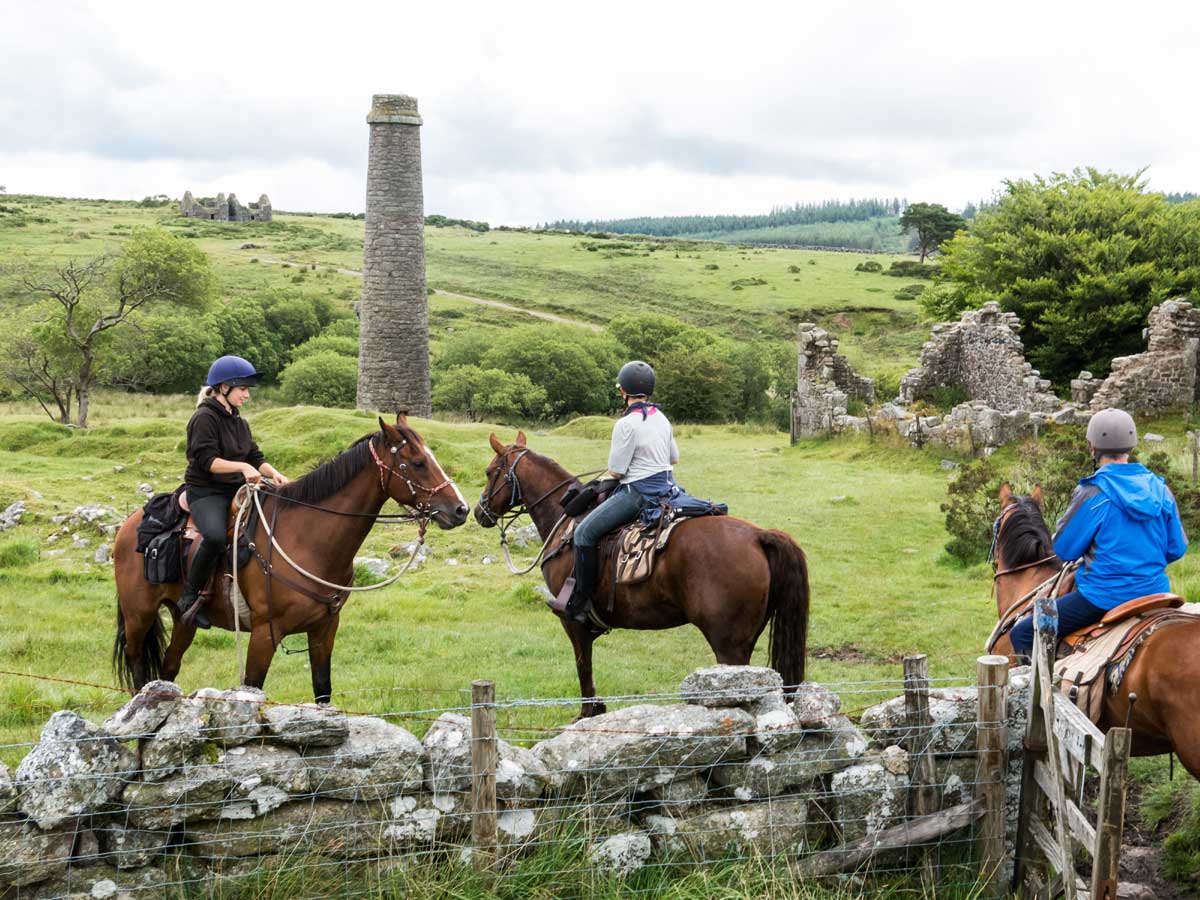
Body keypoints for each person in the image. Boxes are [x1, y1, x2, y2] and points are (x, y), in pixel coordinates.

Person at [1009, 408, 1188, 658]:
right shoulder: (1160, 489)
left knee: (1023, 633)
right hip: (1156, 592)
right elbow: (1176, 549)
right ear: (1132, 447)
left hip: (1103, 598)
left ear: (1093, 448)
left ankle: (1040, 695)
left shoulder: (1094, 493)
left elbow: (1063, 550)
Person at [177, 355, 289, 629]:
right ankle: (189, 598)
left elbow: (254, 454)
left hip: (236, 490)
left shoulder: (239, 421)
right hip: (206, 492)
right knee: (215, 537)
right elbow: (207, 461)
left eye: (247, 389)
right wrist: (242, 467)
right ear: (224, 387)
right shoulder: (203, 418)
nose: (247, 395)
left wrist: (272, 472)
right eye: (243, 389)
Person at [565, 360, 680, 625]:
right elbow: (674, 458)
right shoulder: (661, 418)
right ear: (648, 391)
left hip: (638, 493)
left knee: (584, 532)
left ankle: (582, 600)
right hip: (669, 489)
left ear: (623, 392)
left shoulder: (625, 424)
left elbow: (616, 471)